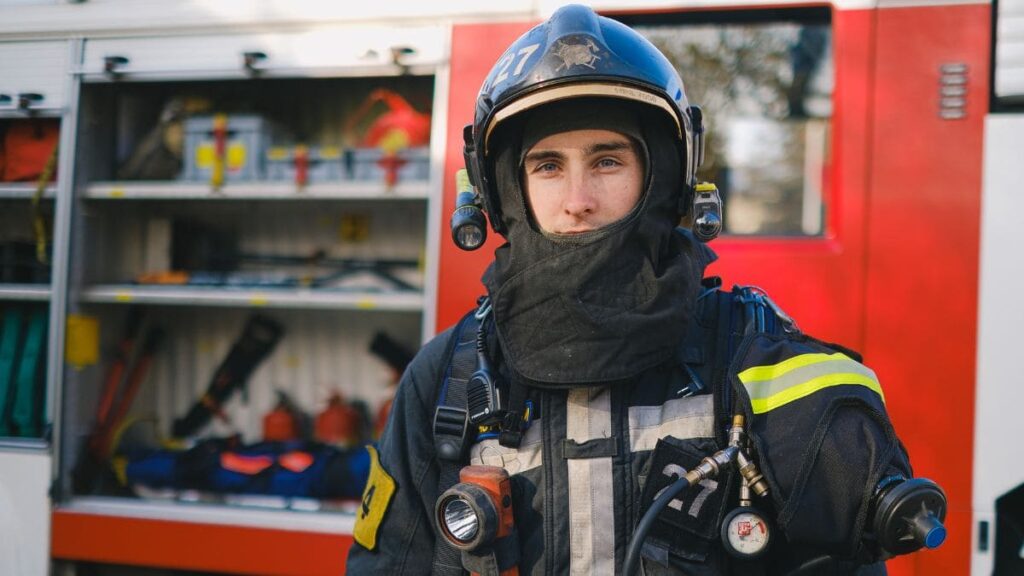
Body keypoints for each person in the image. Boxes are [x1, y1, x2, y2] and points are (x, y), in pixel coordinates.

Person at [347, 5, 938, 575]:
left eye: (607, 162)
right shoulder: (444, 382)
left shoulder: (753, 367)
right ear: (505, 191)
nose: (578, 200)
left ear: (663, 176)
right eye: (548, 166)